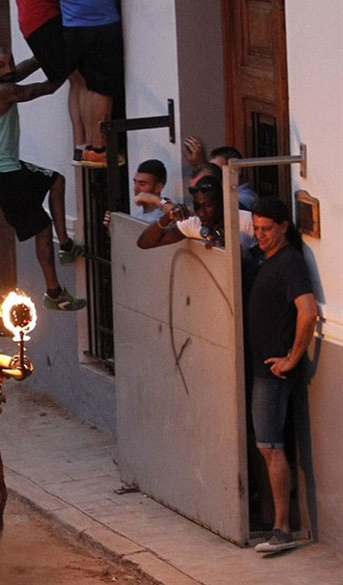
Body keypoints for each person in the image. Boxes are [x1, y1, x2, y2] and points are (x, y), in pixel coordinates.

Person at [0, 45, 86, 311]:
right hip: (1, 174)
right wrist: (70, 64)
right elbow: (44, 88)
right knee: (41, 227)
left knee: (56, 181)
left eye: (9, 62)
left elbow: (21, 70)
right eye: (1, 65)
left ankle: (66, 245)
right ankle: (54, 293)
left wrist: (45, 52)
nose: (9, 68)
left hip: (7, 167)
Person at [249, 197, 317, 553]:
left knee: (271, 448)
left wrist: (292, 358)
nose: (260, 235)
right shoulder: (268, 258)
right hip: (263, 369)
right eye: (256, 228)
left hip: (273, 374)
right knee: (268, 447)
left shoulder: (289, 263)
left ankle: (282, 528)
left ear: (284, 227)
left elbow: (307, 311)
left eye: (266, 229)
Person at [14, 0, 88, 161]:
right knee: (81, 80)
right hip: (44, 18)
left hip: (31, 22)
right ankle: (86, 144)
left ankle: (80, 146)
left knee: (75, 80)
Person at [60, 0, 125, 165]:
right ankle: (99, 148)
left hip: (72, 26)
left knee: (86, 86)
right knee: (102, 89)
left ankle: (89, 146)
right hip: (102, 23)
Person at [136, 175, 255, 255]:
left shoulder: (246, 220)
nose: (201, 213)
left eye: (207, 205)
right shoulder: (195, 223)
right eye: (197, 206)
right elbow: (144, 243)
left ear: (222, 202)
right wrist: (167, 217)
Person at [182, 136, 259, 210]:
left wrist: (200, 164)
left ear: (236, 171)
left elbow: (221, 210)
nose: (214, 174)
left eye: (218, 170)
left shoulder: (246, 198)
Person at [103, 159, 175, 230]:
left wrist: (155, 199)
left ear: (158, 187)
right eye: (135, 183)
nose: (135, 189)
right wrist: (113, 228)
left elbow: (178, 214)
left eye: (142, 184)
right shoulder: (137, 217)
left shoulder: (166, 212)